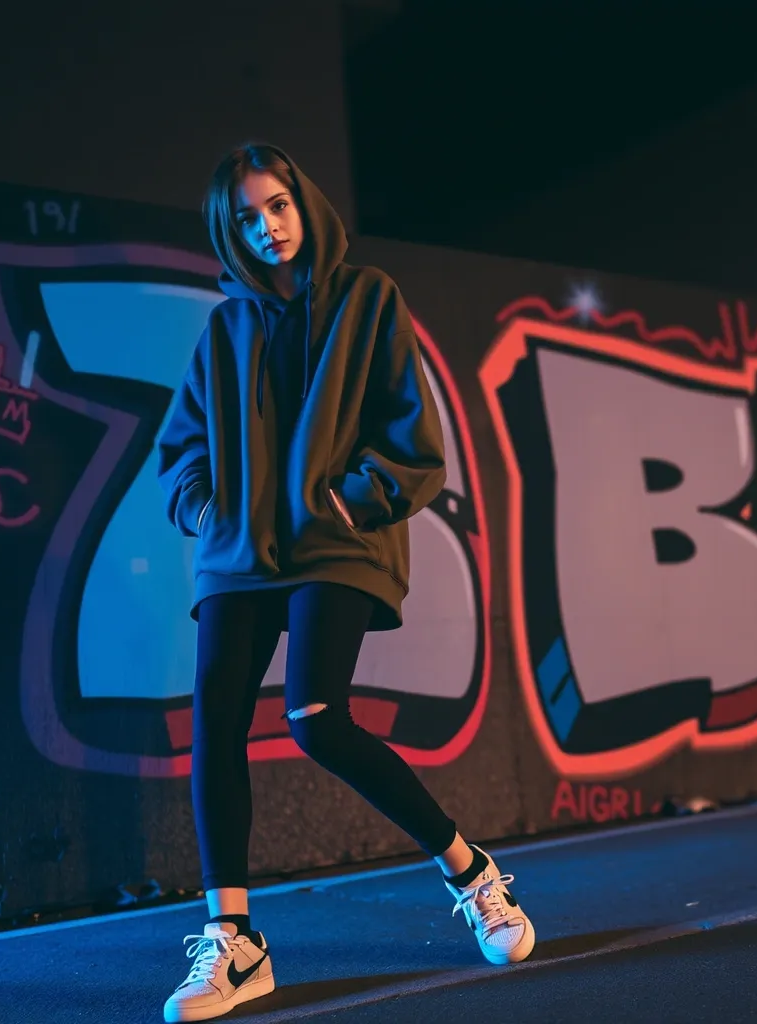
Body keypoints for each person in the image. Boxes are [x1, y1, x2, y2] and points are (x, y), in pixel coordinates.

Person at [155, 143, 535, 1022]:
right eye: (247, 217)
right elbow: (181, 445)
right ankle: (235, 942)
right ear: (230, 232)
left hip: (335, 541)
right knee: (216, 723)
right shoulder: (225, 331)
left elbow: (413, 435)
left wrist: (350, 500)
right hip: (238, 553)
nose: (267, 227)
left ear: (304, 203)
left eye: (278, 205)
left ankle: (473, 875)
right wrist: (205, 506)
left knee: (317, 719)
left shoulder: (369, 299)